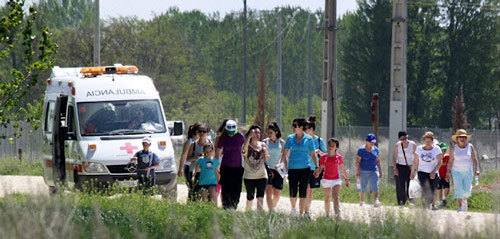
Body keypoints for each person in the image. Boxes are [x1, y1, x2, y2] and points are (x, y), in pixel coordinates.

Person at [281, 118, 319, 215]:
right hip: (292, 168)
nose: (293, 128)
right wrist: (286, 167)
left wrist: (317, 167)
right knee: (292, 190)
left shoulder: (309, 139)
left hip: (305, 168)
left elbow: (313, 154)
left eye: (295, 126)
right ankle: (293, 209)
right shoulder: (290, 138)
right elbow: (284, 153)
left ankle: (301, 213)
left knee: (303, 191)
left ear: (301, 127)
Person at [446, 129, 480, 212]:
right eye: (460, 137)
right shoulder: (454, 148)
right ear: (457, 139)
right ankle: (460, 207)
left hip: (468, 171)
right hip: (456, 171)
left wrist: (477, 169)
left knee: (467, 190)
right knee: (458, 189)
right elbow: (450, 161)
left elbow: (475, 159)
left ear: (466, 138)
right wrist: (448, 172)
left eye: (464, 137)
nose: (462, 139)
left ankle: (465, 200)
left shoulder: (470, 146)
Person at [216, 119, 245, 209]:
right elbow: (218, 153)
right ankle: (226, 207)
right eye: (229, 132)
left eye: (233, 132)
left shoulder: (240, 137)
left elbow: (244, 149)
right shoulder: (222, 138)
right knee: (226, 189)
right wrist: (216, 166)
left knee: (237, 189)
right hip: (226, 167)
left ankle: (234, 206)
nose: (231, 134)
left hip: (238, 167)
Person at [315, 138, 349, 218]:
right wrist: (317, 173)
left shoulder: (338, 157)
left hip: (336, 180)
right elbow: (321, 167)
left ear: (336, 147)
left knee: (335, 197)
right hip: (326, 179)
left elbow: (342, 168)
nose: (331, 147)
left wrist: (346, 179)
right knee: (327, 198)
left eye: (333, 145)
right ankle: (327, 215)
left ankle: (337, 214)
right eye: (330, 145)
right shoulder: (324, 157)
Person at [411, 131, 442, 210]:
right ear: (424, 141)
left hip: (433, 172)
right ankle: (425, 205)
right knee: (425, 188)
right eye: (426, 141)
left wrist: (434, 171)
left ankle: (431, 203)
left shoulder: (436, 149)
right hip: (422, 172)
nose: (428, 143)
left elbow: (440, 162)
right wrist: (412, 172)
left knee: (432, 189)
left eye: (430, 141)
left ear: (432, 141)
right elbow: (415, 161)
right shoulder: (419, 149)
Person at [242, 125, 270, 211]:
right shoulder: (246, 145)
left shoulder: (263, 145)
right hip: (249, 176)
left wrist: (265, 153)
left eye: (259, 132)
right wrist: (249, 137)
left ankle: (259, 215)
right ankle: (248, 213)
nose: (257, 134)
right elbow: (244, 152)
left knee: (260, 197)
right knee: (250, 197)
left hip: (262, 175)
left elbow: (267, 158)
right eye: (255, 133)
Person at [304, 115, 327, 216]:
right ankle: (305, 210)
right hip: (304, 167)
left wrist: (319, 152)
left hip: (315, 168)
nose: (305, 131)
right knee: (306, 189)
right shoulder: (303, 140)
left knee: (310, 190)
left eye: (307, 129)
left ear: (312, 129)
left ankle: (307, 210)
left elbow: (325, 154)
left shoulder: (319, 141)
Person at [186, 123, 212, 201]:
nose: (202, 133)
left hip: (206, 172)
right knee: (194, 194)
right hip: (195, 172)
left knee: (207, 195)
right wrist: (195, 157)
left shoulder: (210, 144)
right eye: (200, 131)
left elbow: (213, 157)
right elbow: (188, 159)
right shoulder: (193, 144)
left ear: (207, 133)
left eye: (204, 131)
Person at [356, 133, 382, 207]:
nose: (372, 143)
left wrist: (380, 170)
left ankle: (376, 200)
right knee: (362, 186)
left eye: (373, 142)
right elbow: (357, 161)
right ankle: (362, 201)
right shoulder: (361, 150)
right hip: (363, 170)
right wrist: (357, 172)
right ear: (366, 141)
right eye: (370, 142)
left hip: (373, 170)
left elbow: (377, 160)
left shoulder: (376, 149)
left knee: (375, 185)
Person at [264, 122, 285, 211]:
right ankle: (271, 210)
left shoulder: (282, 142)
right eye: (268, 132)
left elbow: (283, 155)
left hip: (278, 169)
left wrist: (279, 164)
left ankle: (272, 207)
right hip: (267, 168)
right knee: (268, 190)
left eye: (271, 133)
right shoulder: (265, 142)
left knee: (277, 193)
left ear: (276, 132)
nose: (269, 135)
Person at [392, 131, 417, 206]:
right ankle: (401, 201)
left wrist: (414, 169)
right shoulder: (397, 145)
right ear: (399, 139)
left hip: (410, 166)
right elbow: (394, 157)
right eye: (402, 139)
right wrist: (395, 168)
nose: (404, 140)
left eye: (405, 138)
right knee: (400, 185)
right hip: (400, 166)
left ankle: (410, 199)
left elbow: (416, 157)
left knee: (411, 184)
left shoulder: (412, 144)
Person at [177, 123, 200, 201]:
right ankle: (191, 203)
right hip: (188, 167)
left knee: (197, 187)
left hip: (197, 167)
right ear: (197, 132)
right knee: (191, 187)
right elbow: (184, 156)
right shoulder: (189, 142)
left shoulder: (200, 142)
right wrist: (180, 169)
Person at [436, 142, 450, 208]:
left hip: (445, 175)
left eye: (444, 150)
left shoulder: (447, 157)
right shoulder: (437, 157)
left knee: (447, 188)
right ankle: (440, 201)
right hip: (439, 175)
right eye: (442, 150)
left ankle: (444, 198)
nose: (443, 151)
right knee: (439, 188)